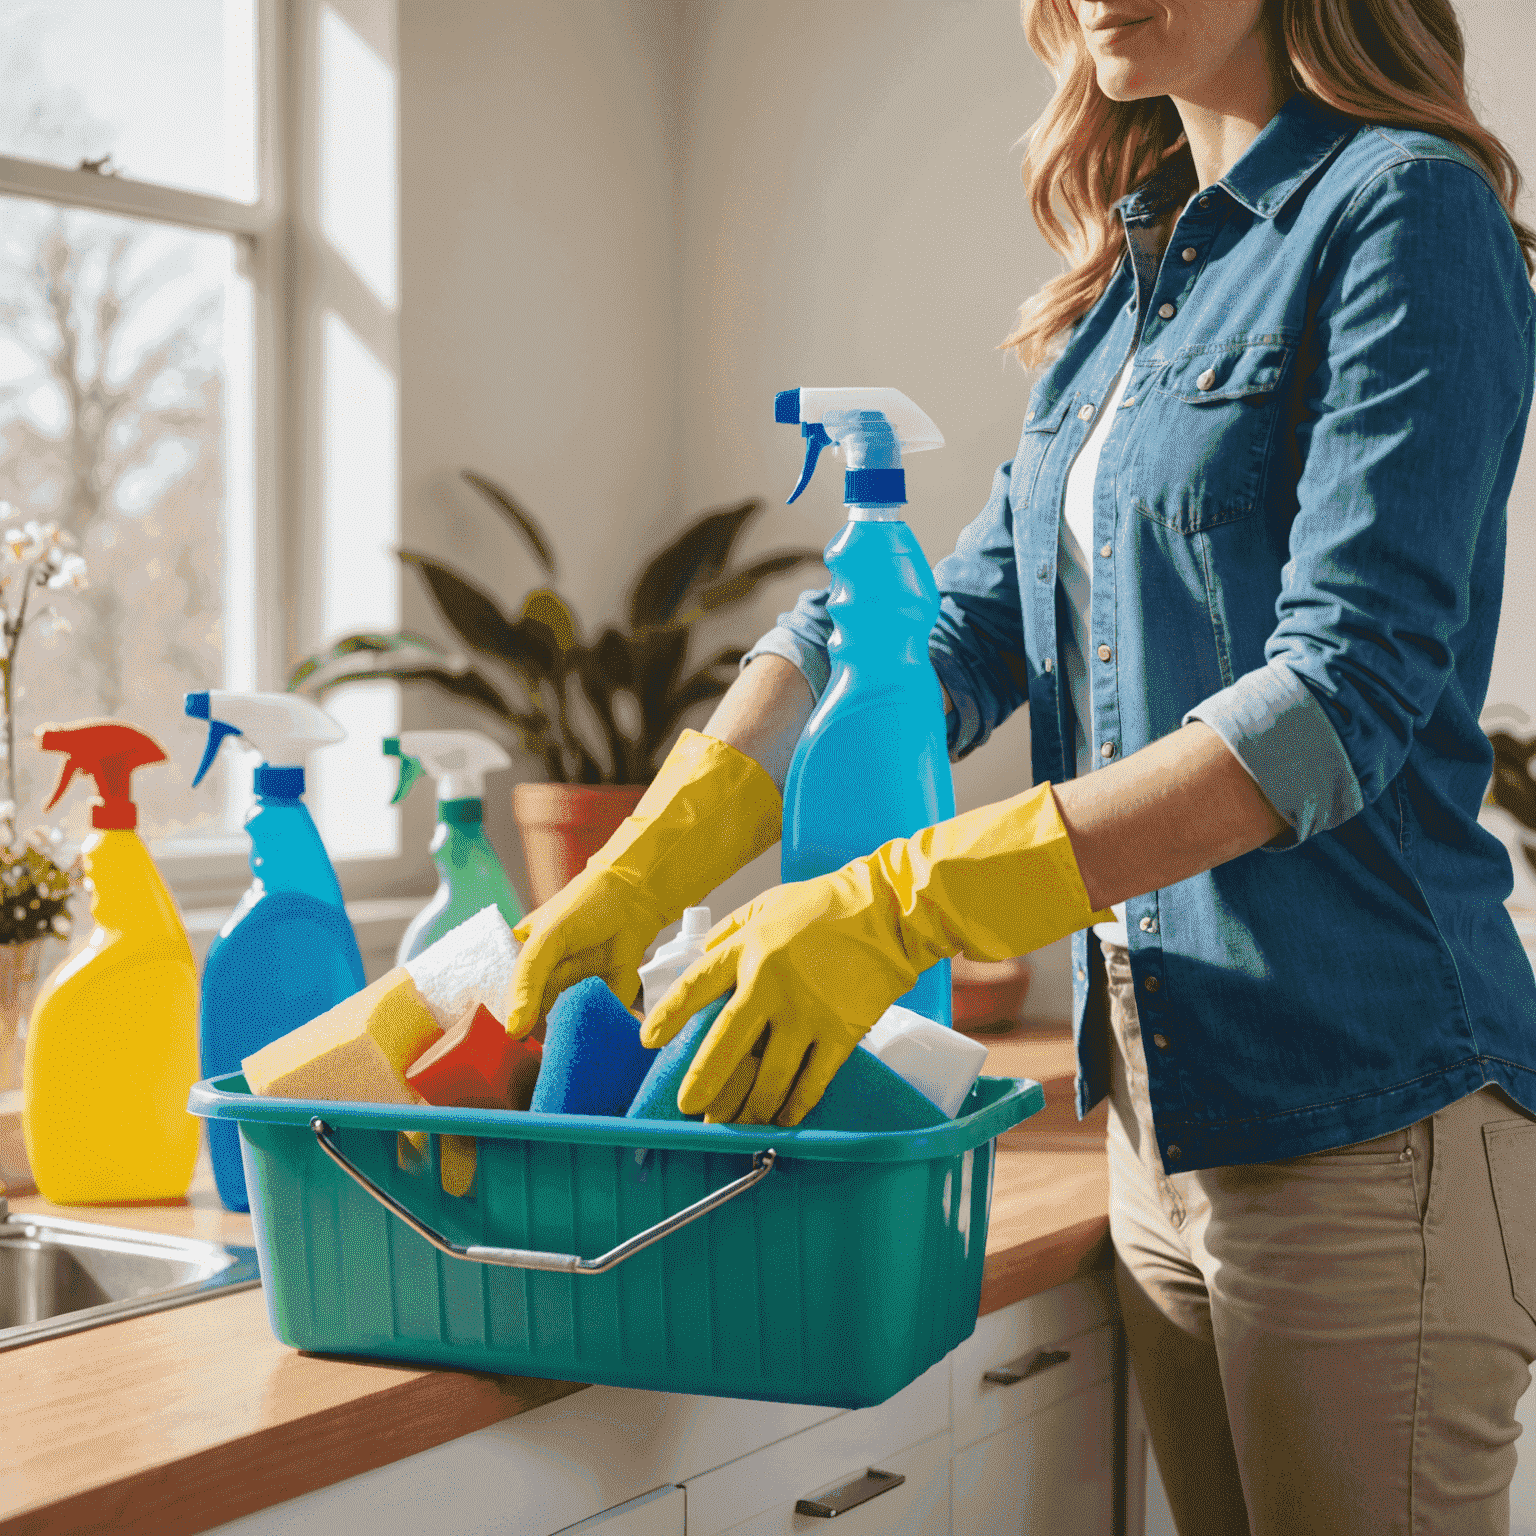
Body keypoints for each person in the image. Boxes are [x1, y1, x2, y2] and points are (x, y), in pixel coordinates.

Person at [506, 1, 1536, 1528]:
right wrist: (656, 846)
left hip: (1368, 1124)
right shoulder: (1130, 295)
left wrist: (909, 902)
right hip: (1159, 1120)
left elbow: (1340, 698)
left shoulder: (1405, 210)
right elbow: (947, 629)